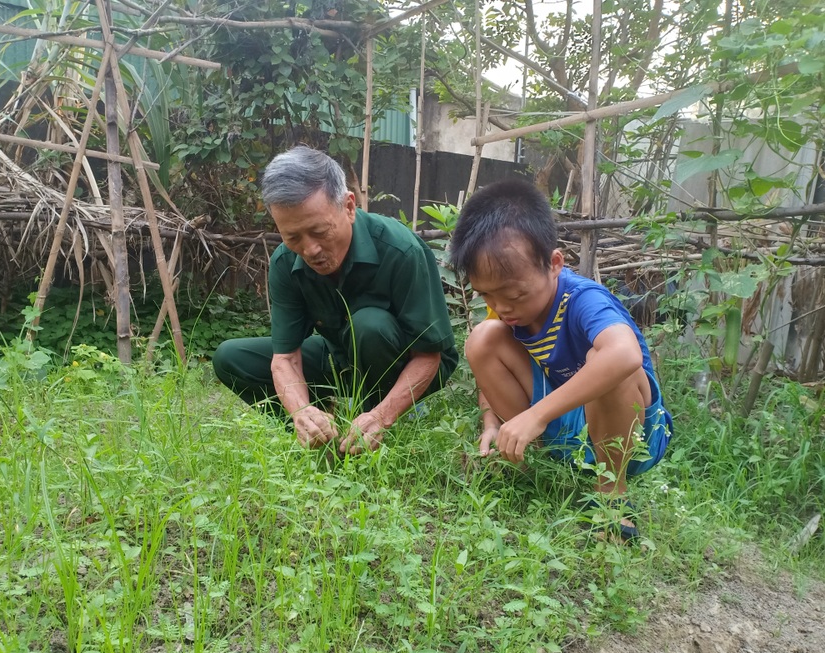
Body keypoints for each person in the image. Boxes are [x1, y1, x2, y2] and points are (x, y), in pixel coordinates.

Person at [449, 178, 672, 541]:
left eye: (515, 293)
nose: (502, 307)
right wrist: (491, 422)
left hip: (635, 435)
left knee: (607, 361)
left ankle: (610, 498)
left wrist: (535, 416)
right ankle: (527, 462)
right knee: (483, 339)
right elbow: (489, 359)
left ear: (554, 263)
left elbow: (625, 354)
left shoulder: (584, 299)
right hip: (568, 421)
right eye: (487, 295)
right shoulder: (506, 311)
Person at [213, 146, 459, 455]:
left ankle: (380, 419)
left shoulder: (401, 250)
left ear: (349, 207)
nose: (310, 249)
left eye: (319, 231)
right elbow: (285, 359)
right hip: (341, 354)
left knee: (370, 325)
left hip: (413, 360)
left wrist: (382, 416)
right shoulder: (285, 264)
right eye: (293, 238)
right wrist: (300, 410)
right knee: (231, 357)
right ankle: (320, 433)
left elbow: (430, 357)